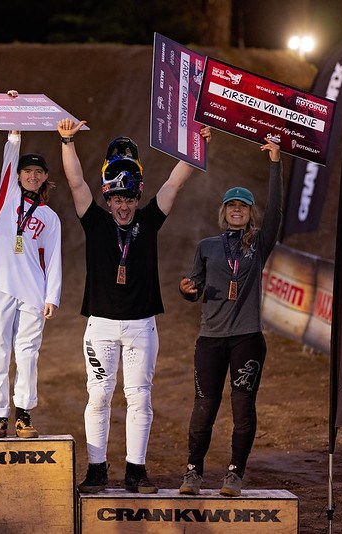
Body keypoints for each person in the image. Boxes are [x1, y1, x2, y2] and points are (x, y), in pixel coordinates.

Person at [57, 118, 210, 494]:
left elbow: (175, 182)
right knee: (100, 395)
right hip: (101, 325)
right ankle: (96, 470)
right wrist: (67, 142)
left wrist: (196, 144)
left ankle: (135, 472)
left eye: (129, 199)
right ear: (107, 199)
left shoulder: (150, 220)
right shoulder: (93, 221)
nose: (123, 207)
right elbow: (76, 183)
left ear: (137, 199)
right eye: (117, 199)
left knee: (140, 397)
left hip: (142, 324)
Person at [178, 136, 282, 497]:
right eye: (231, 205)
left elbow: (278, 214)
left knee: (242, 409)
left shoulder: (257, 245)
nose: (237, 210)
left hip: (247, 337)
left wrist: (275, 164)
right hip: (210, 338)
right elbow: (197, 287)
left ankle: (235, 474)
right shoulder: (207, 246)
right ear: (223, 211)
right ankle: (193, 473)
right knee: (204, 408)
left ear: (251, 212)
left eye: (243, 206)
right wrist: (187, 290)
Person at [0, 91, 61, 439]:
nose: (31, 176)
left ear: (44, 177)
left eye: (37, 172)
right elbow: (10, 158)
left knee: (27, 353)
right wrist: (14, 123)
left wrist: (52, 296)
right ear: (19, 176)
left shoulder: (49, 216)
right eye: (26, 171)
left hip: (32, 289)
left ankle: (24, 414)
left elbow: (54, 257)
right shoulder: (7, 199)